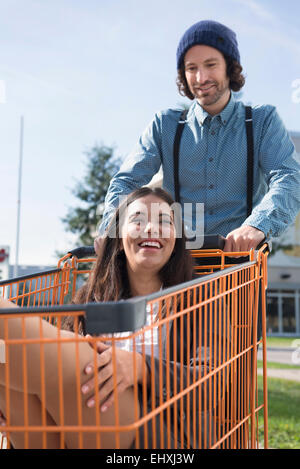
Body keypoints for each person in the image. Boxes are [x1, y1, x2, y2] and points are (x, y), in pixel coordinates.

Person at [0, 187, 222, 449]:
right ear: (118, 237)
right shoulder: (91, 297)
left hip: (163, 435)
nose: (150, 228)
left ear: (176, 239)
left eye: (164, 221)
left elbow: (213, 382)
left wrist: (141, 368)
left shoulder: (200, 297)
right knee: (9, 382)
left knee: (69, 352)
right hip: (85, 423)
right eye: (138, 219)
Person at [96, 20, 300, 255]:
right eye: (191, 68)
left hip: (241, 268)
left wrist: (257, 225)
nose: (201, 78)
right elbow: (127, 181)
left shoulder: (262, 121)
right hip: (178, 267)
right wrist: (110, 229)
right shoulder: (165, 125)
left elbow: (289, 177)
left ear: (229, 67)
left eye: (211, 64)